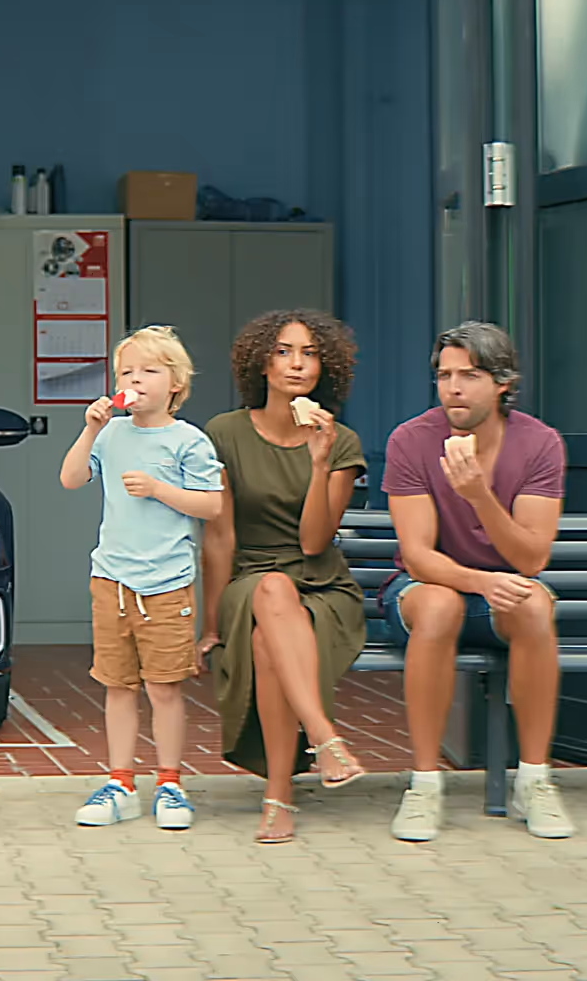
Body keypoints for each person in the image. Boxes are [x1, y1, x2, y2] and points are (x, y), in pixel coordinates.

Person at [381, 321, 573, 842]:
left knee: (535, 604)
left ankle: (534, 780)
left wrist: (478, 496)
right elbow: (418, 557)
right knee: (442, 605)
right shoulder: (412, 440)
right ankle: (424, 784)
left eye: (469, 375)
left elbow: (531, 558)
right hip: (425, 590)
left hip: (503, 592)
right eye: (444, 375)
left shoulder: (540, 444)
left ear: (503, 383)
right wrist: (481, 581)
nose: (453, 388)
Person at [200, 310, 369, 844]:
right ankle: (324, 738)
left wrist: (319, 465)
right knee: (270, 592)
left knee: (269, 641)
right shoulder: (223, 433)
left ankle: (279, 801)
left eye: (310, 353)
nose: (297, 363)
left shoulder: (340, 441)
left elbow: (316, 542)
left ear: (326, 368)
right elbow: (221, 537)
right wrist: (210, 625)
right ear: (261, 364)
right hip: (251, 579)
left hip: (321, 587)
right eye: (283, 351)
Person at [60, 325, 224, 830]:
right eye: (127, 371)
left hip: (168, 582)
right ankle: (120, 782)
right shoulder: (110, 434)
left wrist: (159, 489)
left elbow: (213, 505)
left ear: (176, 383)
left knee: (166, 687)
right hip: (111, 579)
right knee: (117, 685)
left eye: (149, 371)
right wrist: (90, 429)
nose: (136, 380)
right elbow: (70, 478)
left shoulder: (188, 440)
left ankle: (171, 783)